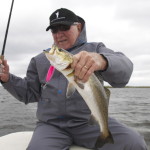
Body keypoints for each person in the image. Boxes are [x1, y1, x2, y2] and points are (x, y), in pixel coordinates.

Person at [0, 8, 147, 150]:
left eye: (64, 27)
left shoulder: (95, 49)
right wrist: (7, 79)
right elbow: (29, 93)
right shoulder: (41, 60)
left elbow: (125, 71)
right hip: (51, 126)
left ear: (79, 27)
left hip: (89, 123)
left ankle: (105, 133)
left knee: (134, 143)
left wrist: (102, 60)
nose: (59, 34)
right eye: (54, 30)